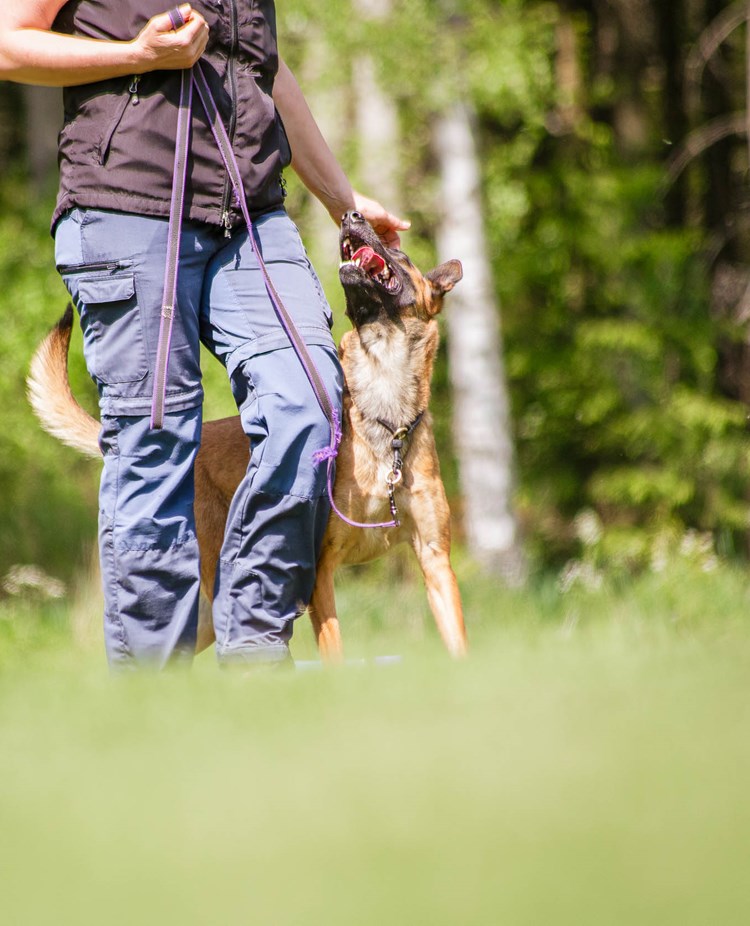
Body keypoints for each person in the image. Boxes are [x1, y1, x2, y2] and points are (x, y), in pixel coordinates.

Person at [0, 1, 409, 670]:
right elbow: (7, 43)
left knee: (309, 411)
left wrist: (343, 200)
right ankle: (152, 695)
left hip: (250, 216)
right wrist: (138, 56)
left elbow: (264, 71)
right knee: (155, 448)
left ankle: (254, 663)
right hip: (127, 207)